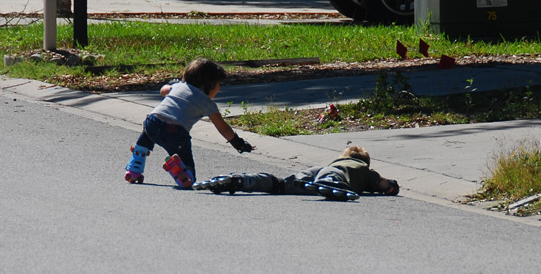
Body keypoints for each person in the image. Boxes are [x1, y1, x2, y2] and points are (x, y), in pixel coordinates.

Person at [124, 58, 254, 187]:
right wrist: (239, 144)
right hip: (175, 132)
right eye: (219, 84)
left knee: (147, 136)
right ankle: (183, 172)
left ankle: (135, 165)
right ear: (210, 85)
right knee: (187, 164)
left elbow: (163, 90)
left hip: (153, 121)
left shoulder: (179, 86)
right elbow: (223, 128)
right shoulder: (208, 104)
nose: (219, 89)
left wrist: (172, 84)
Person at [196, 145, 399, 200]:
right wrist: (392, 185)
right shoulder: (362, 168)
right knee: (332, 176)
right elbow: (384, 185)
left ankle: (244, 180)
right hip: (328, 175)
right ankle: (329, 185)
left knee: (280, 184)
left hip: (311, 175)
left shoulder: (333, 162)